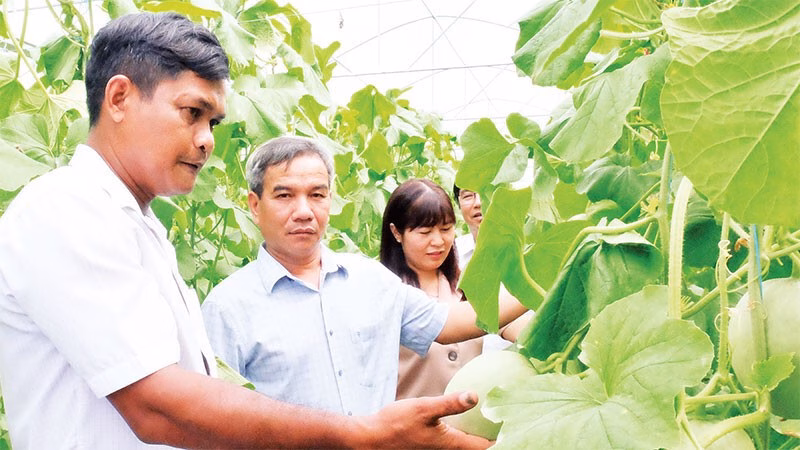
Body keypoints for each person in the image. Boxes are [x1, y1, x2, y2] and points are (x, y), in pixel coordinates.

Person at [0, 12, 490, 449]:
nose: (206, 140)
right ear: (120, 98)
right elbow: (156, 407)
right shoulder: (67, 209)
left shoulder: (136, 225)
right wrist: (359, 434)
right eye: (192, 113)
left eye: (214, 122)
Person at [201, 136, 529, 418]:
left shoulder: (370, 280)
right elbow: (211, 420)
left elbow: (451, 323)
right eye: (285, 196)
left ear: (330, 200)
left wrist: (540, 285)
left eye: (317, 195)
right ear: (255, 205)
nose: (303, 211)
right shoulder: (227, 307)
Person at [381, 179, 500, 400]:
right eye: (425, 232)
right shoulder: (383, 290)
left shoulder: (467, 282)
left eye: (446, 229)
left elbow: (516, 325)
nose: (438, 241)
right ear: (396, 232)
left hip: (469, 421)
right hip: (409, 422)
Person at [453, 185, 482, 269]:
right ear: (459, 205)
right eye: (468, 196)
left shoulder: (516, 248)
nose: (478, 203)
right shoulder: (452, 254)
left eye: (485, 193)